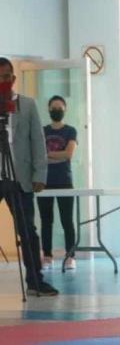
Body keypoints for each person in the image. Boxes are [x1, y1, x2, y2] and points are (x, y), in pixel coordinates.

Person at [0, 57, 59, 296]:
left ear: (13, 78)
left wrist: (40, 174)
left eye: (5, 76)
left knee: (27, 231)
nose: (2, 81)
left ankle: (35, 279)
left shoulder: (28, 104)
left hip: (20, 177)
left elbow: (38, 142)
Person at [37, 95, 77, 270]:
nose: (57, 110)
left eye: (60, 108)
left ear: (65, 110)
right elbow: (38, 156)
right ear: (48, 109)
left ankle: (70, 256)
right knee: (46, 221)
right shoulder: (42, 131)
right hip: (43, 182)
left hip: (65, 182)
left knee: (67, 221)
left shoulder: (71, 130)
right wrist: (56, 155)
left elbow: (68, 154)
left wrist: (48, 156)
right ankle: (47, 256)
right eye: (54, 108)